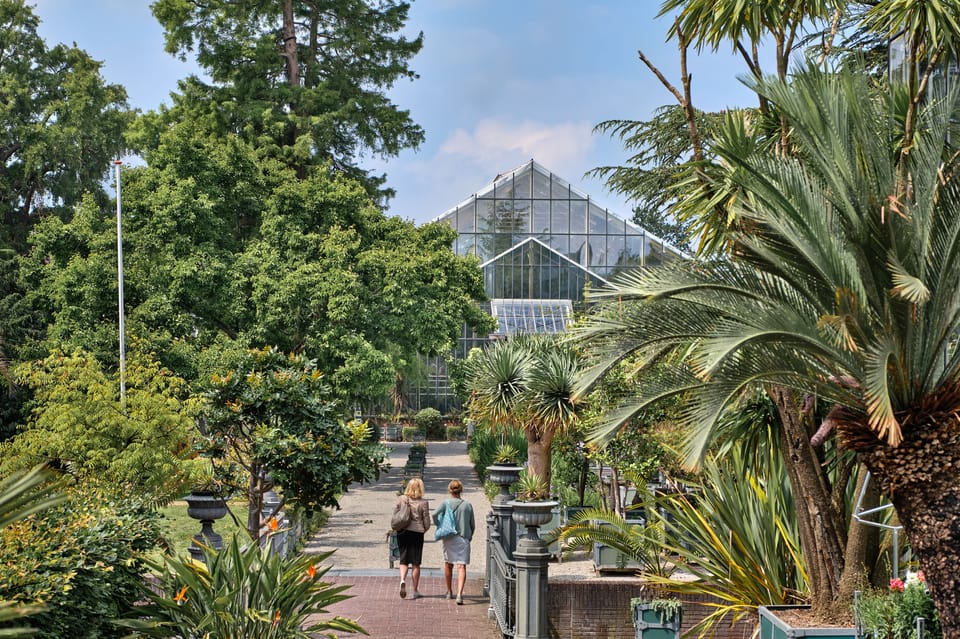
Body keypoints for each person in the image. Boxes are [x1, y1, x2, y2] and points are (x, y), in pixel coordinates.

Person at [433, 479, 475, 605]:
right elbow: (472, 524)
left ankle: (449, 591)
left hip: (449, 537)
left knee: (448, 564)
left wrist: (439, 525)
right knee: (461, 566)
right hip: (463, 538)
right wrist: (469, 535)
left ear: (449, 490)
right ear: (461, 490)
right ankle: (459, 594)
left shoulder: (446, 503)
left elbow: (434, 514)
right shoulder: (467, 505)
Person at [394, 477, 430, 600]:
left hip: (402, 532)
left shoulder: (402, 499)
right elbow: (427, 522)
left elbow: (396, 514)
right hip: (417, 533)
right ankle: (415, 590)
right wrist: (423, 530)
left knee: (403, 559)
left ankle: (403, 580)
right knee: (416, 563)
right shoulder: (423, 503)